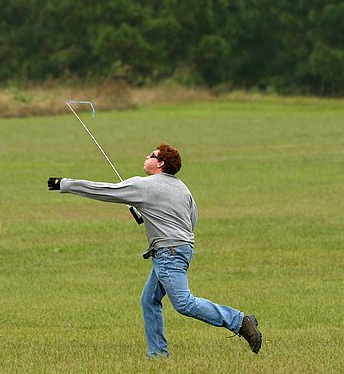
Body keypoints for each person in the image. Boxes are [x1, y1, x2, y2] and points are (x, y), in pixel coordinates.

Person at [47, 143, 262, 357]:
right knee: (149, 300)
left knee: (184, 303)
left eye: (151, 155)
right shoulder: (182, 188)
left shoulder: (144, 186)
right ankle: (158, 354)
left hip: (169, 253)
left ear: (160, 163)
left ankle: (239, 321)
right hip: (181, 249)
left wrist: (65, 184)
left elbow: (104, 190)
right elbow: (191, 219)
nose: (146, 156)